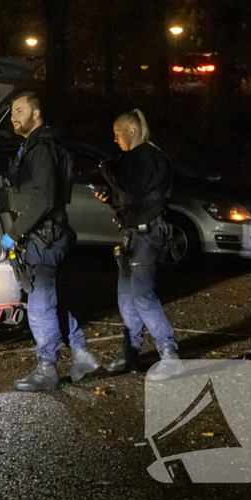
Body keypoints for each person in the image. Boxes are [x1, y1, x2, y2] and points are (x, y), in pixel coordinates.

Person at [2, 92, 100, 392]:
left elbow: (43, 199)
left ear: (36, 114)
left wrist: (14, 232)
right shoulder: (38, 146)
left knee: (39, 304)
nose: (13, 117)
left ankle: (47, 368)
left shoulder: (42, 149)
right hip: (48, 234)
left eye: (20, 111)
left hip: (44, 237)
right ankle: (81, 354)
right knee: (47, 300)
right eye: (11, 112)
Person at [95, 108, 185, 382]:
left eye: (117, 133)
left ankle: (170, 355)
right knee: (127, 298)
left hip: (147, 236)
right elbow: (137, 197)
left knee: (143, 297)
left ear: (131, 131)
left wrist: (108, 169)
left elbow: (134, 189)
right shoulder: (140, 159)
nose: (115, 139)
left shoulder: (146, 158)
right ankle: (131, 353)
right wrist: (112, 200)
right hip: (133, 236)